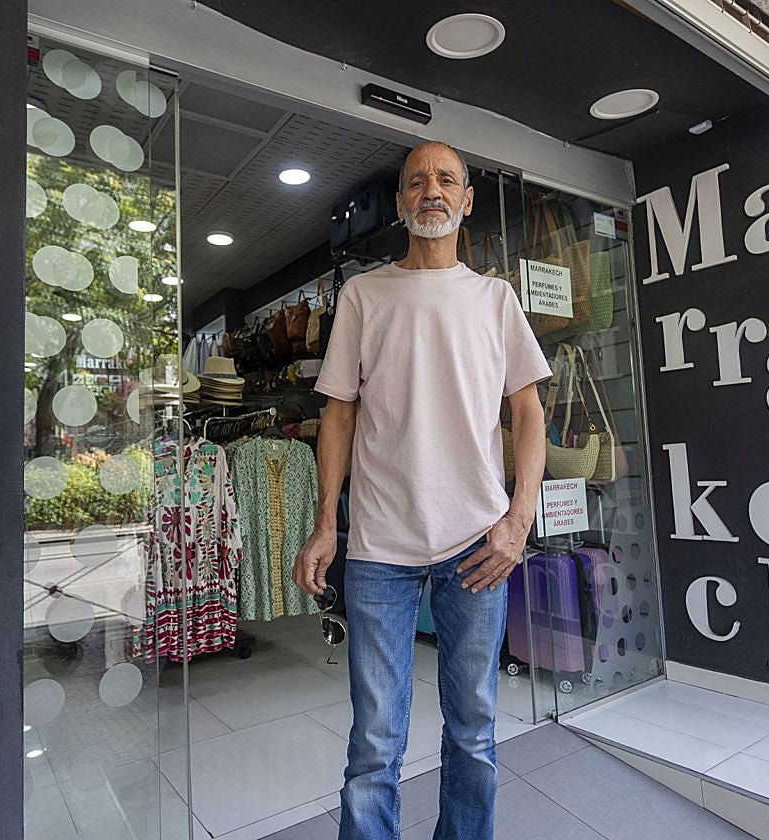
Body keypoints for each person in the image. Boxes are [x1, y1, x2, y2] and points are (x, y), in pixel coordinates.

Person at [292, 141, 550, 840]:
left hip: (478, 543)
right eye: (416, 183)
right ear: (402, 204)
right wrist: (325, 525)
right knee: (376, 741)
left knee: (473, 730)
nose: (430, 190)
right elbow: (337, 413)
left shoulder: (495, 300)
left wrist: (518, 518)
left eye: (446, 180)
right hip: (379, 547)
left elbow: (529, 414)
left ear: (466, 201)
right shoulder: (364, 295)